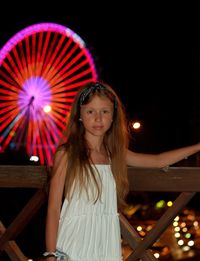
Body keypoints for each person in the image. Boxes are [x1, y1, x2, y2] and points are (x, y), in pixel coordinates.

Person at [44, 81, 200, 261]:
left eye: (105, 111)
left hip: (106, 239)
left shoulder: (114, 154)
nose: (98, 118)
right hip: (75, 239)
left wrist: (196, 147)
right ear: (79, 115)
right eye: (90, 111)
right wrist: (50, 254)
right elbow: (54, 208)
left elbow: (158, 160)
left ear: (113, 116)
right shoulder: (67, 153)